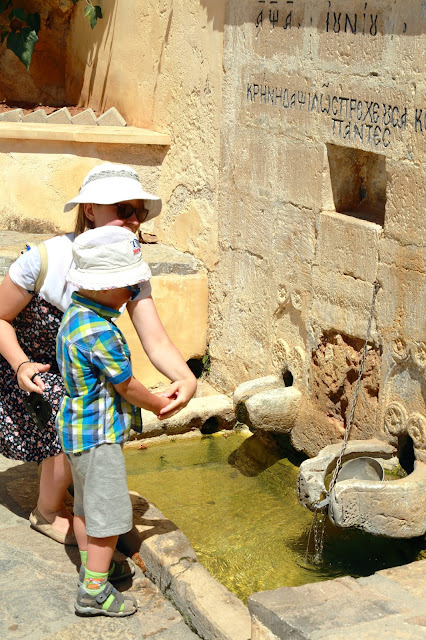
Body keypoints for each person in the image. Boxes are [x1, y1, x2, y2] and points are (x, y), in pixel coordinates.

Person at [0, 163, 197, 544]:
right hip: (21, 370)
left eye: (137, 211)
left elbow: (154, 339)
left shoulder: (129, 267)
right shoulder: (45, 259)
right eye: (122, 209)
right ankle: (47, 511)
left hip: (71, 369)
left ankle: (76, 490)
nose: (132, 220)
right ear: (90, 209)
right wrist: (20, 363)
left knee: (101, 407)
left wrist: (186, 378)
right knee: (72, 406)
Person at [56, 226, 171, 617]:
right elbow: (127, 386)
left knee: (87, 507)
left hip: (77, 430)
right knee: (107, 517)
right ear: (105, 286)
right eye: (130, 285)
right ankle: (93, 592)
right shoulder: (99, 332)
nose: (135, 292)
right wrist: (159, 404)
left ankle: (95, 569)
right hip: (99, 434)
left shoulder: (76, 314)